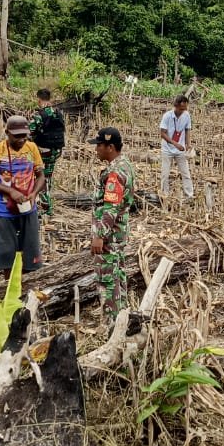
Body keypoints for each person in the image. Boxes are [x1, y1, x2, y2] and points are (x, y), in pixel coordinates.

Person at [0, 115, 46, 273]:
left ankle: (29, 283)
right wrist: (11, 192)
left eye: (24, 135)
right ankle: (9, 285)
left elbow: (41, 176)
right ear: (7, 132)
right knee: (7, 257)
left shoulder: (32, 148)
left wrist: (34, 193)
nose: (21, 140)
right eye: (17, 136)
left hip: (28, 208)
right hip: (4, 210)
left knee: (31, 256)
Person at [89, 126, 136, 324]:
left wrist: (100, 235)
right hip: (118, 234)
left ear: (110, 147)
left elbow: (111, 208)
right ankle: (122, 318)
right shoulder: (124, 165)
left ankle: (112, 322)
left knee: (107, 279)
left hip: (110, 236)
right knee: (117, 275)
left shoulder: (115, 173)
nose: (96, 149)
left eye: (99, 145)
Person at [28, 88, 66, 217]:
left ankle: (45, 207)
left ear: (39, 99)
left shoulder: (39, 115)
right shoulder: (58, 112)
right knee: (47, 177)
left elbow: (30, 132)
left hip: (44, 151)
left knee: (39, 178)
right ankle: (46, 203)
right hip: (57, 150)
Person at [158, 94, 194, 202]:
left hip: (180, 150)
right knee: (165, 174)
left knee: (186, 173)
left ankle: (189, 196)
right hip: (167, 149)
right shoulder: (167, 116)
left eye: (185, 108)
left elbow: (187, 130)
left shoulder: (186, 115)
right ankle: (165, 196)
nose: (183, 111)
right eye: (181, 109)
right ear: (176, 106)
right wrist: (175, 144)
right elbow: (162, 134)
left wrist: (188, 143)